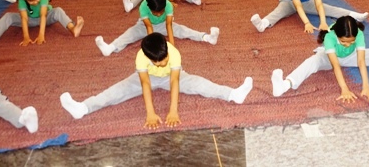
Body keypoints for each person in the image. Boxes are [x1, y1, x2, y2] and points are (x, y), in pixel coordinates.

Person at [62, 34, 253, 128]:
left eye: (164, 60)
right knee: (116, 91)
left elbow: (175, 82)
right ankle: (83, 108)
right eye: (157, 62)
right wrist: (150, 114)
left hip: (173, 76)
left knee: (199, 84)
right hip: (148, 77)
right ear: (148, 57)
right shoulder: (141, 57)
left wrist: (173, 111)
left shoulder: (174, 54)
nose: (161, 64)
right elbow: (145, 85)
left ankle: (233, 94)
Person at [96, 0, 218, 57]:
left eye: (161, 12)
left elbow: (169, 26)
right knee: (130, 34)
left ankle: (206, 37)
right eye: (156, 13)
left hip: (164, 24)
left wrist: (172, 47)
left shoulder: (168, 5)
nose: (159, 14)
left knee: (183, 30)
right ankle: (110, 48)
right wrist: (152, 47)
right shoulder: (143, 7)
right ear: (150, 8)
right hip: (145, 25)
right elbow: (149, 26)